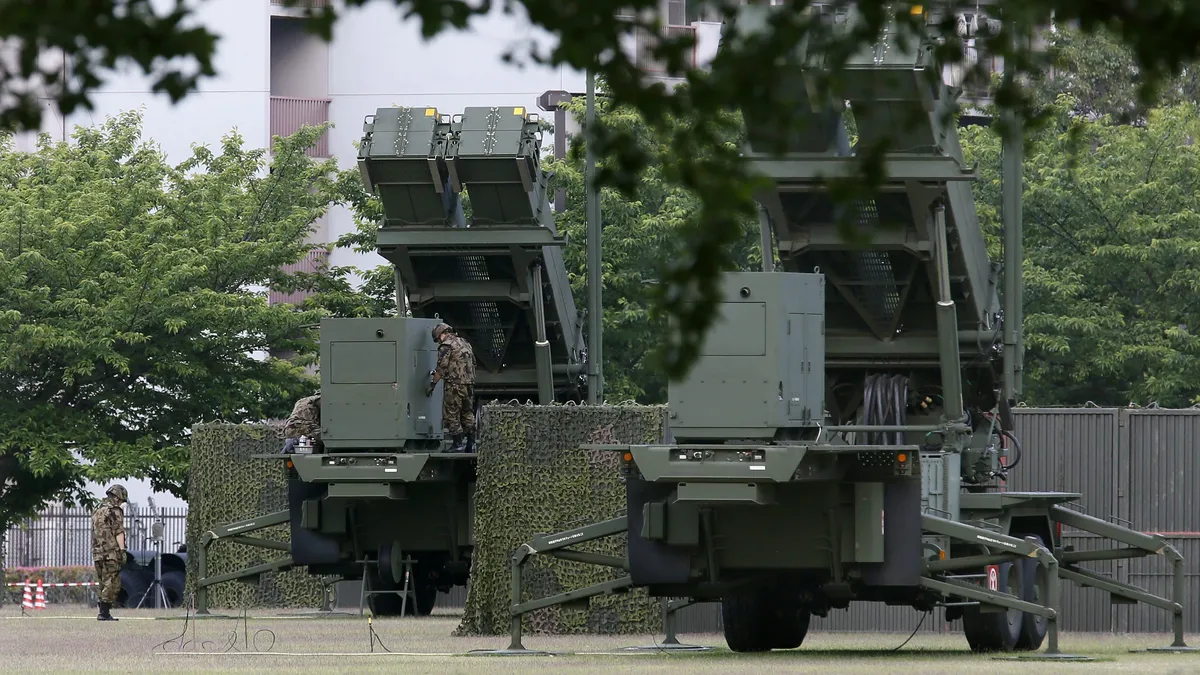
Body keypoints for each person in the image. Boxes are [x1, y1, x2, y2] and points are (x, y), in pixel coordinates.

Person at [428, 322, 477, 453]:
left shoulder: (446, 345)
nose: (438, 342)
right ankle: (471, 444)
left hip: (454, 385)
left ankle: (457, 444)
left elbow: (441, 368)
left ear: (441, 334)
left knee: (451, 414)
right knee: (467, 413)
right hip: (469, 384)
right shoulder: (465, 343)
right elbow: (473, 362)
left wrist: (432, 385)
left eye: (437, 339)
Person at [91, 484, 127, 621]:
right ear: (117, 497)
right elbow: (119, 532)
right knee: (112, 582)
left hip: (97, 551)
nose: (121, 503)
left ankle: (102, 611)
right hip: (111, 552)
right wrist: (122, 551)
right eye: (121, 501)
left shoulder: (97, 509)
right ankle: (104, 613)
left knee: (102, 582)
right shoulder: (114, 510)